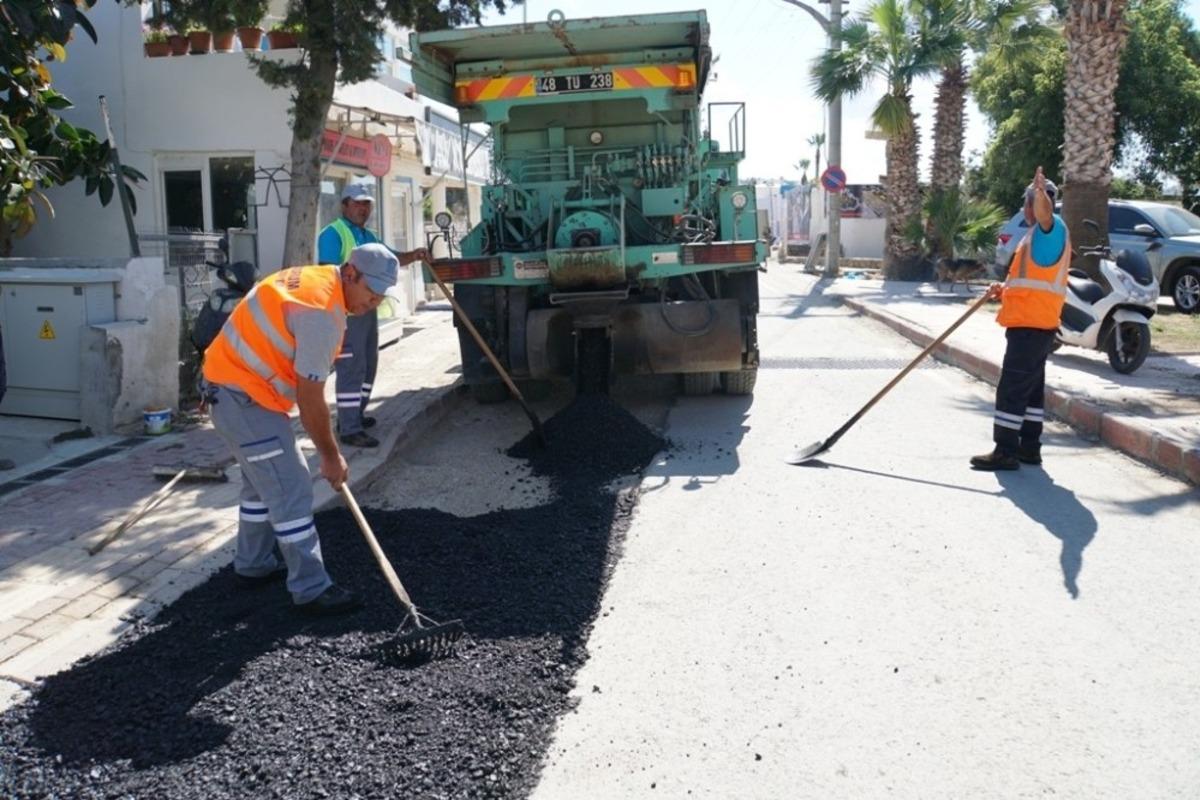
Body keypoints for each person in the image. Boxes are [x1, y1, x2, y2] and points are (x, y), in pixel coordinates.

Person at [201, 244, 401, 614]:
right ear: (350, 273)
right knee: (292, 485)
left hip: (233, 387)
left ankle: (253, 564)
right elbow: (311, 398)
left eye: (378, 299)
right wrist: (330, 455)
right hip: (243, 397)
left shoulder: (314, 279)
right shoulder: (322, 313)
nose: (370, 305)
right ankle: (310, 587)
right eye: (369, 295)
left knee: (261, 482)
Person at [972, 167, 1070, 471]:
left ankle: (1005, 450)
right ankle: (1029, 447)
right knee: (1030, 391)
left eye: (1027, 202)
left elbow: (1044, 215)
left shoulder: (1049, 229)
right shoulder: (1037, 236)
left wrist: (1040, 195)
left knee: (1012, 388)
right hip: (1036, 324)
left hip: (1031, 326)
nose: (1023, 209)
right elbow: (1033, 280)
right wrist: (1003, 289)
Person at [317, 184, 428, 449]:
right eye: (357, 203)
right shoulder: (333, 233)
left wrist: (414, 255)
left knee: (368, 364)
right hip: (346, 311)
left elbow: (390, 259)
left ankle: (356, 413)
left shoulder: (369, 235)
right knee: (352, 368)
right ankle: (348, 427)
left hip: (365, 310)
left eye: (367, 204)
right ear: (344, 205)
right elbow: (328, 272)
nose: (363, 208)